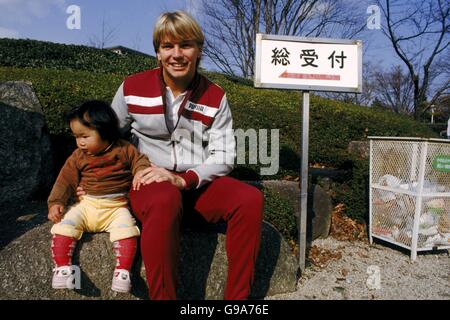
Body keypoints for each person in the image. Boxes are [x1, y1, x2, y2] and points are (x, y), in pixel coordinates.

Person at [108, 11, 264, 300]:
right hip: (151, 186)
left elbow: (225, 154)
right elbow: (106, 138)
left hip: (195, 184)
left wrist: (186, 180)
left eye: (186, 45)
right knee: (165, 197)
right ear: (157, 53)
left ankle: (237, 301)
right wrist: (92, 180)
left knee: (249, 199)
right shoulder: (131, 87)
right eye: (168, 47)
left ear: (199, 50)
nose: (176, 54)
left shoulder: (216, 95)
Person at [48, 100, 151, 293]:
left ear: (105, 131)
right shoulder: (78, 156)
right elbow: (65, 180)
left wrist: (140, 172)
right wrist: (56, 203)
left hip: (116, 207)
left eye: (85, 136)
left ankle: (123, 271)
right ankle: (62, 268)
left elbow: (140, 161)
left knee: (127, 230)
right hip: (87, 205)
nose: (80, 142)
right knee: (64, 226)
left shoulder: (124, 149)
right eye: (76, 137)